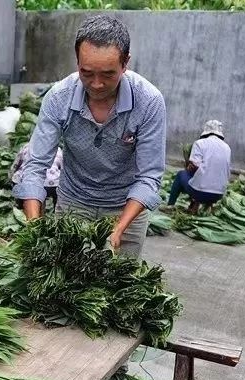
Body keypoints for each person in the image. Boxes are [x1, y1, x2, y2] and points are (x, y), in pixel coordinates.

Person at [13, 15, 166, 258]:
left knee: (120, 284)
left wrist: (119, 228)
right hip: (73, 203)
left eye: (107, 74)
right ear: (77, 62)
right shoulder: (58, 98)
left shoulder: (148, 101)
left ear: (125, 63)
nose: (96, 84)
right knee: (68, 282)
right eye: (86, 73)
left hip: (124, 206)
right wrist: (34, 227)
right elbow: (35, 166)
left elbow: (149, 177)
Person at [164, 120, 231, 214]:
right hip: (218, 195)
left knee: (181, 175)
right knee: (199, 178)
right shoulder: (227, 148)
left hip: (201, 193)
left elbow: (194, 166)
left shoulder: (200, 143)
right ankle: (197, 206)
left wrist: (188, 166)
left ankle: (170, 206)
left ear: (206, 131)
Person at [11, 144, 63, 211]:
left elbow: (16, 164)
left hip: (31, 181)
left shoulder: (27, 146)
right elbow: (62, 167)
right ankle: (57, 213)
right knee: (56, 195)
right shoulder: (57, 149)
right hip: (52, 183)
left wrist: (11, 175)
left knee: (29, 192)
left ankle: (22, 207)